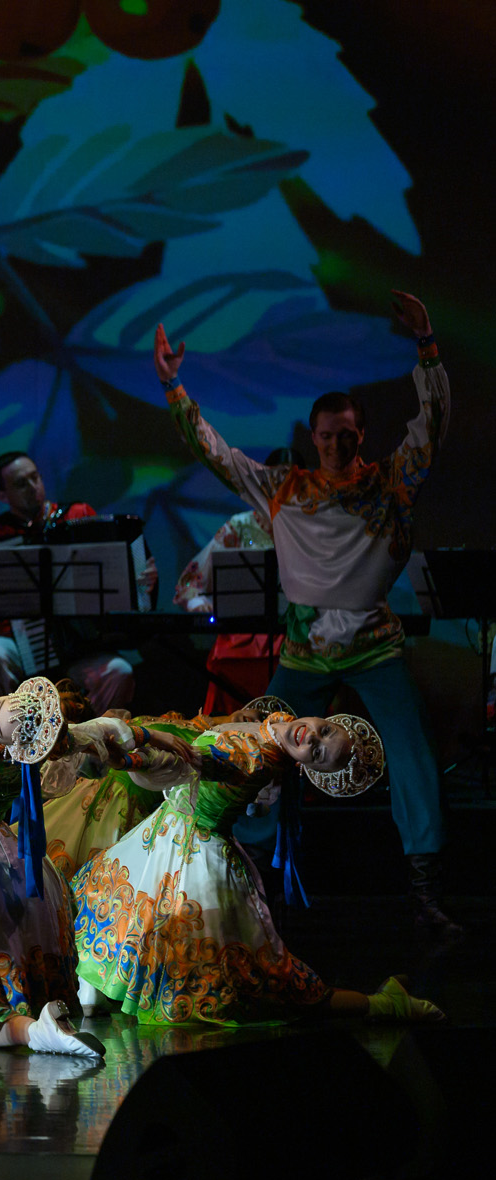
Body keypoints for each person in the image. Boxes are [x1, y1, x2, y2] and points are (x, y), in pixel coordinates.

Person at [155, 289, 456, 932]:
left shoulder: (389, 484)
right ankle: (243, 873)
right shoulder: (283, 488)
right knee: (256, 753)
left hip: (374, 646)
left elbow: (431, 425)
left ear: (361, 434)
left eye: (347, 435)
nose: (337, 445)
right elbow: (217, 453)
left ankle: (425, 890)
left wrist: (427, 345)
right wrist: (175, 388)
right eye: (326, 436)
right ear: (312, 437)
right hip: (304, 653)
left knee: (412, 753)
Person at [73, 705, 444, 1025]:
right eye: (325, 730)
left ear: (307, 767)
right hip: (169, 832)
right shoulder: (276, 726)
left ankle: (383, 1006)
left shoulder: (256, 758)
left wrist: (136, 744)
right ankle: (95, 989)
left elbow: (186, 761)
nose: (311, 737)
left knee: (263, 984)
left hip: (193, 853)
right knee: (121, 913)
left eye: (317, 752)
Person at [0, 678, 191, 1056]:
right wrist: (153, 735)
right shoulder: (38, 747)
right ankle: (38, 1023)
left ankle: (33, 1032)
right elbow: (101, 732)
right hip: (6, 858)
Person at [0, 451, 144, 714]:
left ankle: (91, 731)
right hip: (19, 638)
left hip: (81, 645)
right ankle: (6, 730)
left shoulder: (77, 514)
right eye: (21, 484)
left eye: (35, 478)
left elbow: (117, 564)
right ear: (2, 495)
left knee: (119, 672)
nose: (33, 487)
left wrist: (139, 575)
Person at [174, 460, 288, 714]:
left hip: (295, 632)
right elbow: (192, 580)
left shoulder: (310, 527)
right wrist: (199, 600)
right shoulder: (240, 525)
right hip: (245, 632)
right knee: (228, 666)